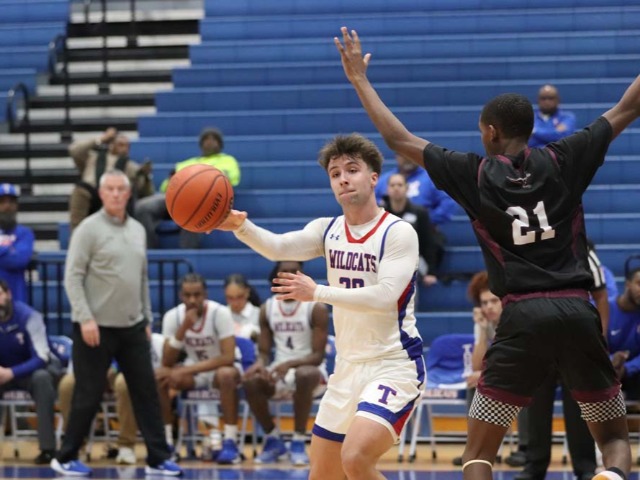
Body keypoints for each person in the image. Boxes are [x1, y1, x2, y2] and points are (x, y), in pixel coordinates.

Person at [335, 26, 637, 480]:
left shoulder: (475, 174)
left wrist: (359, 79)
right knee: (613, 440)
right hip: (576, 310)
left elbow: (398, 139)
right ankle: (611, 477)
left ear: (492, 132)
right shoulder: (565, 157)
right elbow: (628, 106)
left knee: (478, 453)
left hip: (521, 318)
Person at [215, 132, 425, 480]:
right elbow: (278, 247)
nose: (343, 178)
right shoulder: (328, 231)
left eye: (352, 170)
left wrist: (318, 292)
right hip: (346, 367)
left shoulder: (398, 232)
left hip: (392, 364)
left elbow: (385, 296)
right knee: (322, 474)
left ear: (374, 177)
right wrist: (242, 226)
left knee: (355, 459)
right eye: (335, 173)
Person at [51, 170, 180, 477]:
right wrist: (85, 318)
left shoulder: (137, 229)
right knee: (88, 393)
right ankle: (65, 456)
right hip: (95, 328)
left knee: (146, 391)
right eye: (110, 189)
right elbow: (72, 277)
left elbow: (142, 278)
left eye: (121, 189)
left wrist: (146, 317)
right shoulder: (87, 229)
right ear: (101, 193)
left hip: (133, 326)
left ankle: (158, 458)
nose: (116, 194)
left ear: (129, 193)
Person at [514, 243, 611, 480]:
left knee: (580, 407)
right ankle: (534, 466)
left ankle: (585, 466)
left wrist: (600, 338)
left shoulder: (583, 249)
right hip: (540, 338)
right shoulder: (532, 247)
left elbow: (600, 295)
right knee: (536, 405)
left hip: (578, 340)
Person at [243, 260, 329, 466]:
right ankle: (273, 439)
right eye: (285, 271)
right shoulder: (267, 308)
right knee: (251, 380)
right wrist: (260, 364)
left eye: (294, 272)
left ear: (302, 276)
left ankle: (298, 440)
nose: (289, 275)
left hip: (312, 372)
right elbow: (264, 352)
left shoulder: (315, 307)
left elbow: (318, 356)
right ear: (277, 276)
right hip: (280, 370)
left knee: (304, 374)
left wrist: (289, 364)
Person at [158, 272, 244, 465]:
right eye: (187, 295)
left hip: (223, 369)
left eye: (197, 295)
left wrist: (184, 370)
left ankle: (230, 442)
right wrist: (184, 327)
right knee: (161, 377)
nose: (192, 300)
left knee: (226, 374)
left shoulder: (219, 313)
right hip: (196, 372)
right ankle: (166, 443)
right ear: (181, 296)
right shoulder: (173, 316)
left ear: (205, 294)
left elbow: (228, 357)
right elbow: (166, 361)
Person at [57, 332, 167, 465]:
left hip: (122, 372)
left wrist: (113, 368)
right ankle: (75, 446)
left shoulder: (135, 333)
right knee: (67, 384)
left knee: (125, 383)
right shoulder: (88, 331)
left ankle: (126, 445)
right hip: (94, 371)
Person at [135, 127, 240, 249]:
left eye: (213, 139)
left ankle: (188, 253)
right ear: (201, 144)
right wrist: (171, 181)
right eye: (206, 139)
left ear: (220, 144)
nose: (209, 142)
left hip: (205, 199)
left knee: (193, 207)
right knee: (143, 207)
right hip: (176, 198)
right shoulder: (185, 164)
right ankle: (150, 250)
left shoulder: (228, 161)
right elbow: (165, 187)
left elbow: (231, 180)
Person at [0, 280, 61, 464]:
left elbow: (41, 357)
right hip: (5, 373)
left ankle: (48, 449)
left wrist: (12, 372)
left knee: (42, 379)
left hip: (35, 370)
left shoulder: (30, 316)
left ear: (8, 294)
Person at [68, 127, 153, 232]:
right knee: (80, 190)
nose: (124, 149)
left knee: (126, 194)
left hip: (115, 196)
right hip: (92, 194)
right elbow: (74, 151)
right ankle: (77, 234)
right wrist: (102, 139)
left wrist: (145, 177)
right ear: (111, 145)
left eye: (127, 146)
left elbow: (146, 193)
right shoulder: (93, 157)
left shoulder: (131, 166)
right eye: (121, 145)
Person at [383, 173, 441, 285]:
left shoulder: (420, 213)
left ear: (407, 188)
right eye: (392, 185)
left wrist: (431, 272)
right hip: (387, 261)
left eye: (400, 185)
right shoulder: (380, 214)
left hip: (413, 261)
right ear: (387, 189)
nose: (396, 188)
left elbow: (428, 242)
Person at [375, 154, 456, 227]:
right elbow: (373, 204)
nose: (407, 158)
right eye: (403, 155)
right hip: (389, 229)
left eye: (411, 154)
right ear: (396, 156)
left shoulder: (432, 179)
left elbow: (447, 203)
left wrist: (424, 220)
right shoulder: (384, 180)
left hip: (423, 231)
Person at [607, 267, 640, 401]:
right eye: (639, 284)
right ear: (627, 284)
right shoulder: (604, 309)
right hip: (604, 370)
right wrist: (611, 361)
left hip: (632, 372)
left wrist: (626, 368)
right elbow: (590, 348)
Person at [0, 183, 34, 304]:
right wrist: (9, 249)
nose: (7, 206)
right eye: (2, 202)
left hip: (17, 300)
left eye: (11, 202)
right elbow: (14, 257)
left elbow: (20, 260)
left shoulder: (25, 233)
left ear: (16, 205)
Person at [224, 274, 261, 341]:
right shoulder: (220, 316)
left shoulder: (260, 315)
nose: (235, 303)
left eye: (240, 297)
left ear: (247, 292)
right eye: (230, 298)